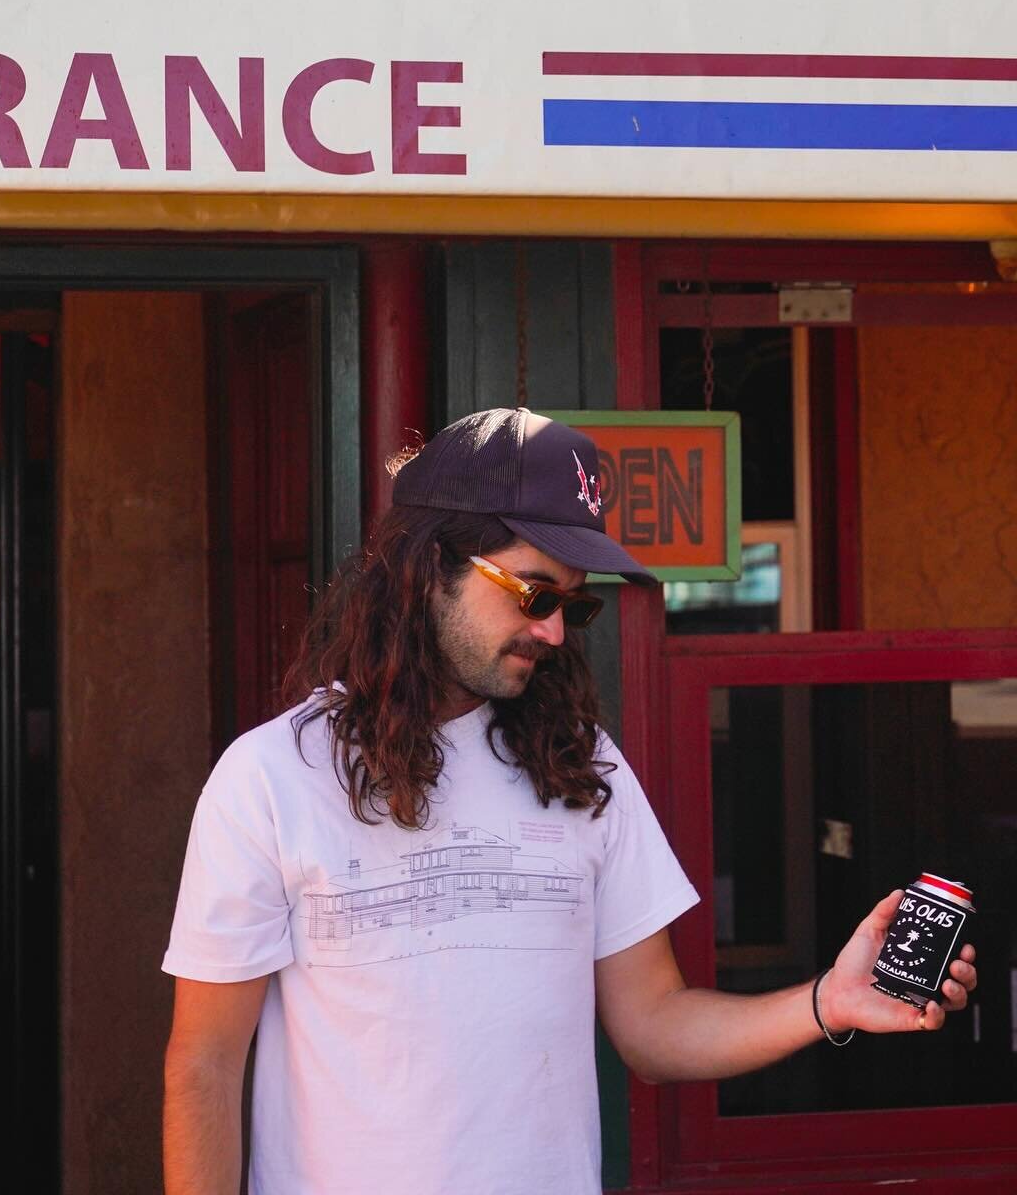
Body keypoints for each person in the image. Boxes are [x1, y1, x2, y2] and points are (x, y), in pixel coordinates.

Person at [162, 409, 977, 1195]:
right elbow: (205, 1064)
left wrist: (824, 1002)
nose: (555, 632)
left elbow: (653, 1025)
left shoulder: (579, 767)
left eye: (572, 604)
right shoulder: (272, 775)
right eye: (534, 592)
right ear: (426, 568)